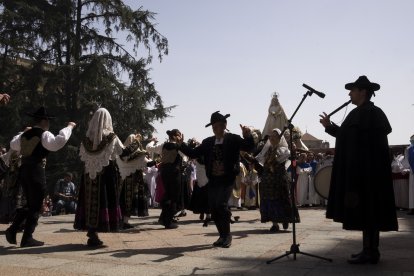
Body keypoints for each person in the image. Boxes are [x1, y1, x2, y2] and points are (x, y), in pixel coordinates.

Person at [319, 75, 398, 264]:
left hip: (369, 173)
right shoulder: (356, 113)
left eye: (352, 90)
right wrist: (329, 127)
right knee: (365, 211)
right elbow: (347, 137)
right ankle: (368, 249)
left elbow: (369, 145)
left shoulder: (374, 113)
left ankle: (371, 252)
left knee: (370, 210)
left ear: (363, 92)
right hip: (360, 172)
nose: (349, 93)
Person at [179, 111, 254, 248]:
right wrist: (181, 144)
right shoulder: (208, 142)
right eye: (213, 127)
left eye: (218, 126)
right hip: (213, 179)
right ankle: (222, 236)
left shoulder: (233, 139)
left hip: (227, 178)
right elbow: (193, 153)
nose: (215, 129)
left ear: (224, 125)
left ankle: (227, 236)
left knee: (221, 204)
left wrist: (247, 135)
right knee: (213, 207)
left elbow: (249, 147)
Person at [5, 107, 76, 247]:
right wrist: (69, 127)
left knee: (30, 204)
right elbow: (57, 143)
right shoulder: (43, 134)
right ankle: (26, 237)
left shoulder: (25, 134)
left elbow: (13, 144)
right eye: (48, 120)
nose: (48, 123)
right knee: (36, 204)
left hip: (24, 170)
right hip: (36, 170)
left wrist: (22, 133)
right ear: (44, 121)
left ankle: (13, 230)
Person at [117, 133, 149, 229]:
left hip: (124, 179)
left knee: (124, 200)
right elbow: (145, 161)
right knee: (128, 201)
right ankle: (124, 221)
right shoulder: (131, 154)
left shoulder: (123, 153)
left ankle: (122, 220)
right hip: (132, 180)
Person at [158, 129, 184, 229]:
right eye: (179, 135)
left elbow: (149, 148)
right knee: (174, 197)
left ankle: (163, 218)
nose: (180, 137)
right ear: (174, 136)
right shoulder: (179, 147)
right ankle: (167, 221)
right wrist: (182, 144)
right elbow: (186, 155)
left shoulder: (163, 145)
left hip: (164, 171)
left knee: (168, 194)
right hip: (174, 172)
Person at [405, 135, 414, 215]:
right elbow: (406, 161)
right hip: (412, 172)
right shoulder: (408, 149)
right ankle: (412, 208)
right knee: (412, 191)